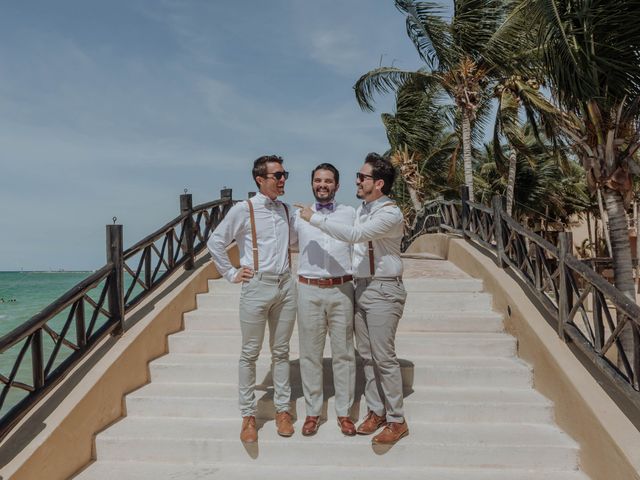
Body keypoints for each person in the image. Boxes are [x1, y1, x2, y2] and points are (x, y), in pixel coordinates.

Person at [297, 152, 408, 445]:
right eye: (358, 177)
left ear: (379, 183)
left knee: (383, 357)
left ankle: (397, 419)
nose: (357, 180)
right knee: (368, 356)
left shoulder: (388, 213)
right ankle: (376, 410)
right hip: (360, 288)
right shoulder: (362, 209)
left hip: (383, 288)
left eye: (362, 177)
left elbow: (356, 235)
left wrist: (316, 219)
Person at [207, 155, 297, 444]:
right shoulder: (242, 209)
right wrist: (231, 273)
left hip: (285, 286)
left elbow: (297, 241)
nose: (283, 180)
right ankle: (248, 415)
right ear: (260, 179)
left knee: (281, 352)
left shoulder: (286, 209)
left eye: (285, 175)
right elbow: (216, 242)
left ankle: (283, 410)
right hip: (256, 287)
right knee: (250, 353)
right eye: (277, 175)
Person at [292, 163, 357, 437]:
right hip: (308, 289)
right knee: (310, 355)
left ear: (337, 186)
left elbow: (361, 245)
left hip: (342, 288)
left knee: (344, 354)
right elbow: (287, 244)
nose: (322, 185)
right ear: (312, 184)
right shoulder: (297, 216)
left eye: (328, 181)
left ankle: (344, 413)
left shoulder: (350, 213)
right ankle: (313, 412)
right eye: (318, 180)